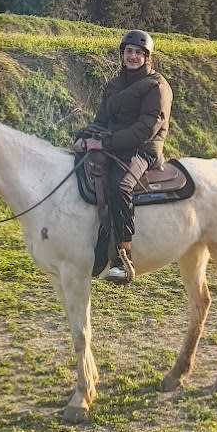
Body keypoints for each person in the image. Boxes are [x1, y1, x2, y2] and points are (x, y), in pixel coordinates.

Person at [74, 29, 172, 285]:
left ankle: (122, 256)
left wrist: (104, 141)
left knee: (120, 186)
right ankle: (95, 249)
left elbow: (145, 129)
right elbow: (101, 120)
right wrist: (83, 136)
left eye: (139, 53)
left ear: (147, 57)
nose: (133, 56)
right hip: (115, 145)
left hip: (143, 149)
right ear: (122, 54)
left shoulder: (157, 86)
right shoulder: (114, 84)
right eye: (129, 51)